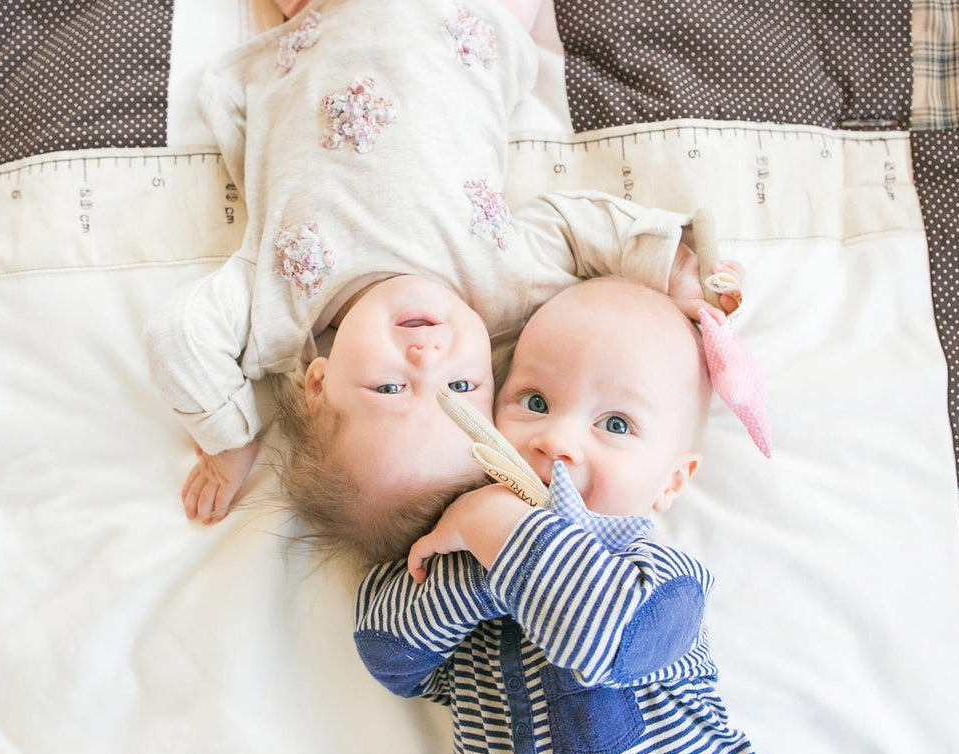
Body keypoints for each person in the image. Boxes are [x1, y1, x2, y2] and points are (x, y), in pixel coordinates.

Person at [144, 0, 738, 561]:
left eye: (388, 389)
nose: (426, 358)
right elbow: (576, 228)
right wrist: (675, 269)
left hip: (325, 18)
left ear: (318, 383)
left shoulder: (275, 313)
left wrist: (230, 441)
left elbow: (178, 338)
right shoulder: (498, 291)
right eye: (459, 389)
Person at [354, 277, 773, 754]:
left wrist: (497, 529)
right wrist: (476, 558)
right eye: (533, 400)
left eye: (616, 424)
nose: (556, 440)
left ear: (671, 481)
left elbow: (614, 638)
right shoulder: (454, 551)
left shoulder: (660, 579)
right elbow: (387, 654)